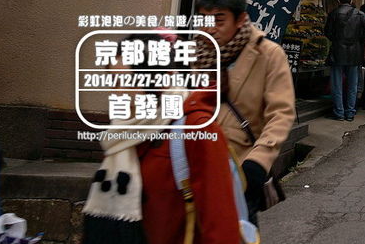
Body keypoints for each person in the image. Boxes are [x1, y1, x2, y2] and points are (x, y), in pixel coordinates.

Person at [82, 34, 244, 244]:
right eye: (113, 80)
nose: (116, 92)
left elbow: (220, 225)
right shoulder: (124, 128)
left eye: (127, 81)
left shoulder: (195, 126)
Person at [195, 0, 294, 225]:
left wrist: (258, 163)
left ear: (240, 19)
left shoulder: (268, 54)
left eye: (219, 20)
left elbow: (281, 113)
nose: (210, 28)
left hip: (240, 173)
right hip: (193, 173)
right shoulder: (193, 53)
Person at [324, 0, 365, 122]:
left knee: (337, 84)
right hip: (354, 52)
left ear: (339, 1)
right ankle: (350, 112)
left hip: (338, 51)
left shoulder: (334, 13)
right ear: (351, 1)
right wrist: (358, 40)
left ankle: (339, 112)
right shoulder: (360, 14)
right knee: (353, 84)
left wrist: (337, 39)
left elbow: (327, 31)